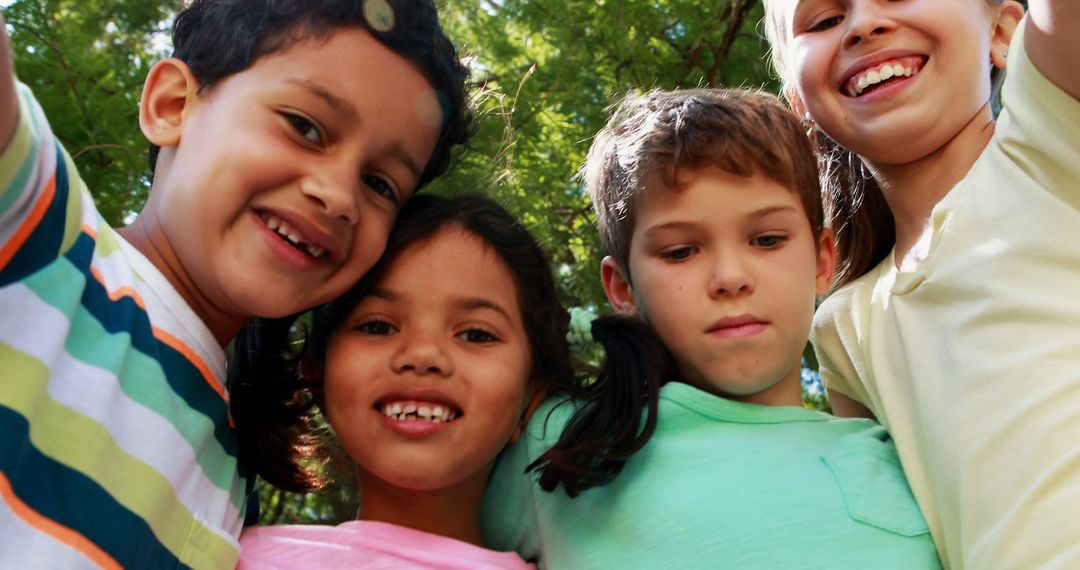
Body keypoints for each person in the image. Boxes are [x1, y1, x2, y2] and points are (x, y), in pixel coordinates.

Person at [0, 0, 471, 566]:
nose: (340, 195)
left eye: (379, 183)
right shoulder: (39, 235)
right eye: (305, 126)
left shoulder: (231, 475)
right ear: (173, 106)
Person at [482, 88, 941, 569]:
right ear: (622, 287)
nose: (730, 278)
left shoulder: (907, 460)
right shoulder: (562, 443)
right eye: (680, 251)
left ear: (823, 260)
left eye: (767, 239)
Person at [761, 0, 1080, 566]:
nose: (864, 24)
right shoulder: (843, 330)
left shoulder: (1047, 135)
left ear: (1004, 31)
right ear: (801, 110)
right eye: (824, 20)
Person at [229, 194, 578, 569]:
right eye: (378, 326)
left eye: (476, 334)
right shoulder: (221, 557)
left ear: (530, 398)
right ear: (319, 381)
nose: (423, 355)